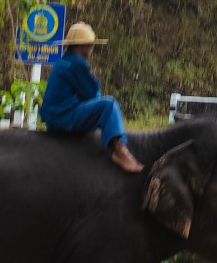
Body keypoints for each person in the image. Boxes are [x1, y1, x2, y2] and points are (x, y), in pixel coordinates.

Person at [39, 22, 143, 173]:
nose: (91, 49)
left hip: (53, 118)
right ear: (82, 46)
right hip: (65, 117)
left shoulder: (63, 62)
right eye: (90, 45)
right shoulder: (77, 64)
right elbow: (93, 94)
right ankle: (120, 151)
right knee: (109, 104)